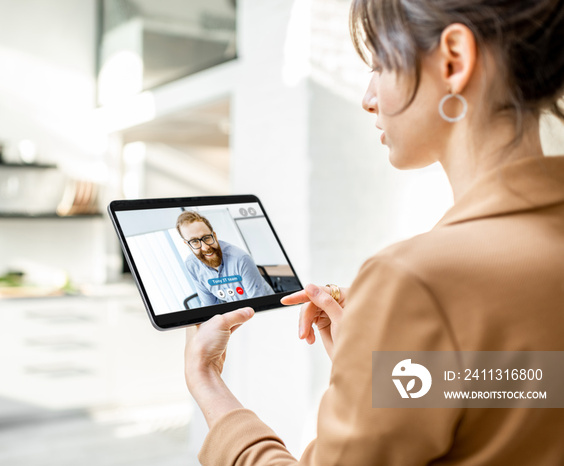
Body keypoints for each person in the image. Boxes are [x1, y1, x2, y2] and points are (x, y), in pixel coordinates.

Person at [184, 0, 564, 464]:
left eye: (380, 63)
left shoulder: (416, 282)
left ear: (454, 61)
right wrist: (377, 370)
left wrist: (208, 383)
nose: (368, 97)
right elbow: (529, 385)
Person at [177, 210, 275, 306]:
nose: (205, 247)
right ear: (188, 244)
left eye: (207, 237)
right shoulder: (192, 265)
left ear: (214, 235)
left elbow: (258, 304)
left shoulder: (240, 259)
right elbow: (208, 305)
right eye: (194, 241)